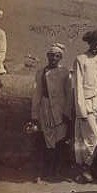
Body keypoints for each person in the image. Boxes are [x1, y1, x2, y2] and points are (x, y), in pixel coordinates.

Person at [72, 28, 97, 184]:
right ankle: (84, 168)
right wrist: (81, 109)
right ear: (90, 43)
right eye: (96, 44)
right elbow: (78, 87)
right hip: (86, 104)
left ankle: (93, 169)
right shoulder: (80, 60)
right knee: (91, 137)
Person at [28, 43, 72, 182]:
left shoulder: (65, 72)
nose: (54, 58)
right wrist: (34, 116)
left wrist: (67, 112)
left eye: (57, 56)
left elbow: (69, 94)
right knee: (47, 141)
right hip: (45, 109)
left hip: (60, 110)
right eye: (51, 55)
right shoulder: (41, 72)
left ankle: (57, 171)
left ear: (60, 58)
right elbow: (37, 94)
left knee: (60, 140)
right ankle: (46, 171)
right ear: (47, 56)